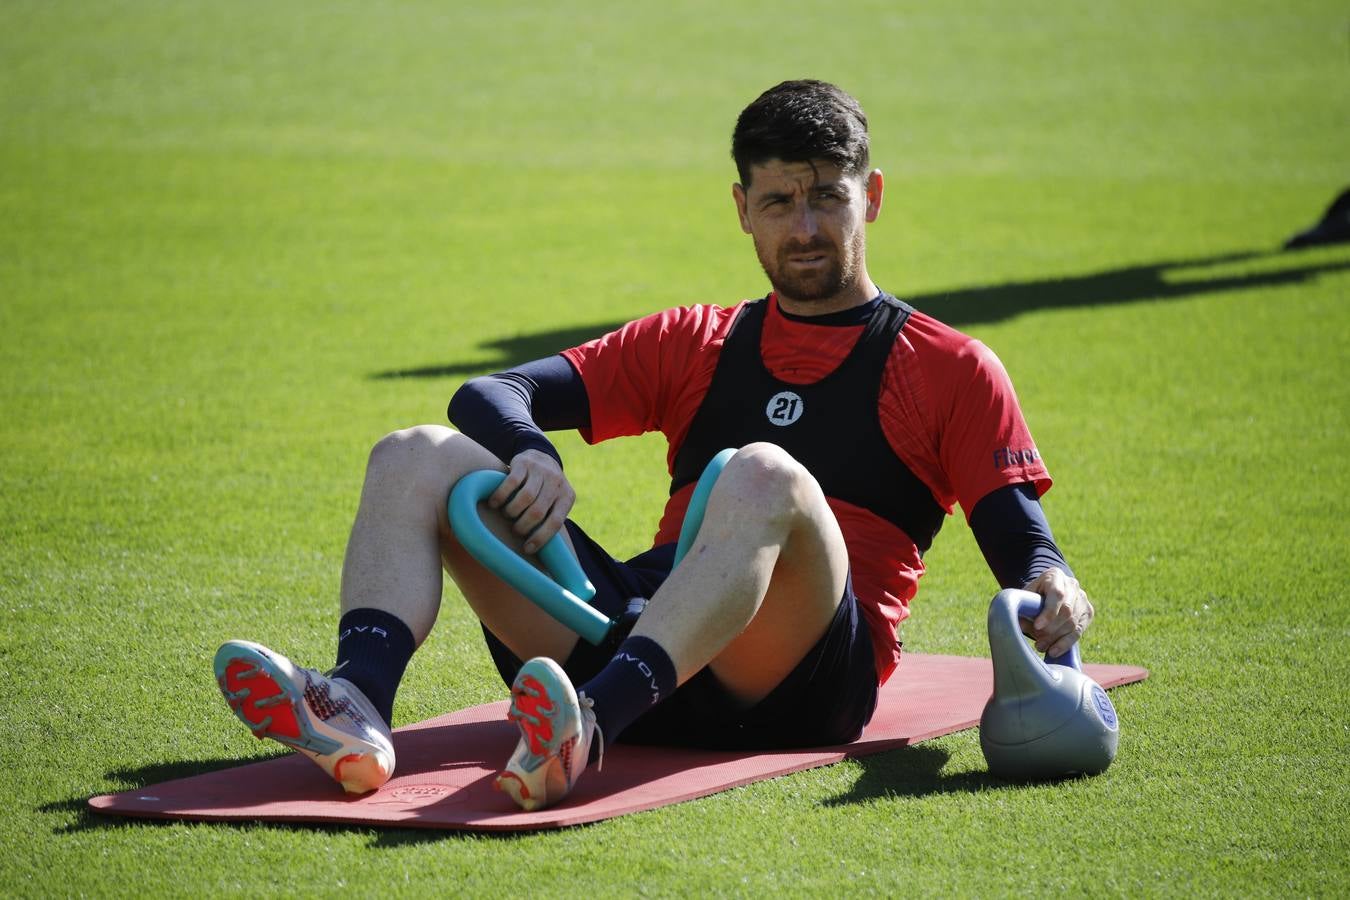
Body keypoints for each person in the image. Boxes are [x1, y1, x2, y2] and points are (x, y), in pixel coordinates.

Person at [215, 79, 1095, 811]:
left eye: (828, 195)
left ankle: (587, 726)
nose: (805, 228)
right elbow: (492, 392)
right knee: (413, 451)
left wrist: (1054, 585)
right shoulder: (699, 341)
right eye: (779, 201)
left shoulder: (948, 364)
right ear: (741, 209)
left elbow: (1024, 546)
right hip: (641, 629)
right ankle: (357, 702)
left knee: (757, 472)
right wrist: (533, 452)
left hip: (795, 678)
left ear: (870, 196)